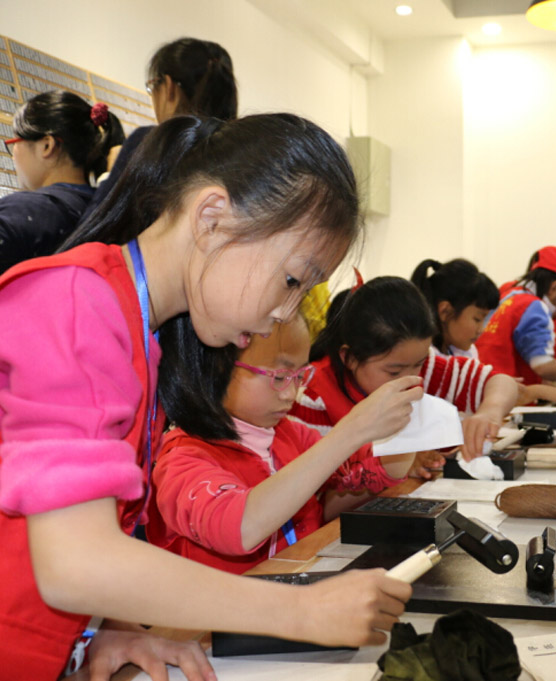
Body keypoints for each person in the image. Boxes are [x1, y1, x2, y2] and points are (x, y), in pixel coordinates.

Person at [0, 114, 415, 681]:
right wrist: (300, 610)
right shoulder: (77, 303)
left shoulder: (138, 329)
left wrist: (110, 625)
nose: (283, 314)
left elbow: (61, 528)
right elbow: (74, 562)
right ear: (212, 217)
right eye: (292, 281)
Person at [149, 316, 415, 574]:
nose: (291, 393)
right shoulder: (181, 459)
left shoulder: (289, 434)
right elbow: (240, 528)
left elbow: (372, 469)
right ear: (217, 368)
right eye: (279, 377)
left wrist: (410, 431)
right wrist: (350, 431)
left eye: (299, 376)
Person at [289, 276, 520, 490]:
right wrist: (396, 464)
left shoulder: (420, 366)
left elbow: (500, 382)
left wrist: (490, 412)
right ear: (349, 358)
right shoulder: (313, 398)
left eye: (419, 363)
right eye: (393, 372)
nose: (409, 379)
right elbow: (316, 493)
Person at [80, 37, 237, 223]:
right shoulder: (239, 153)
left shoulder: (151, 144)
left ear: (169, 87)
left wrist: (109, 175)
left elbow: (96, 222)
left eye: (153, 85)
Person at [0, 90, 123, 273]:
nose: (13, 156)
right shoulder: (110, 211)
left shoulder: (20, 212)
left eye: (14, 143)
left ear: (47, 145)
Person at [477, 245, 556, 387]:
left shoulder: (508, 295)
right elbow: (542, 365)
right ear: (555, 288)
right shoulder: (535, 306)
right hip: (506, 392)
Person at [411, 257, 499, 358]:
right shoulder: (421, 358)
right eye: (477, 319)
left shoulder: (465, 352)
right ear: (445, 311)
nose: (481, 330)